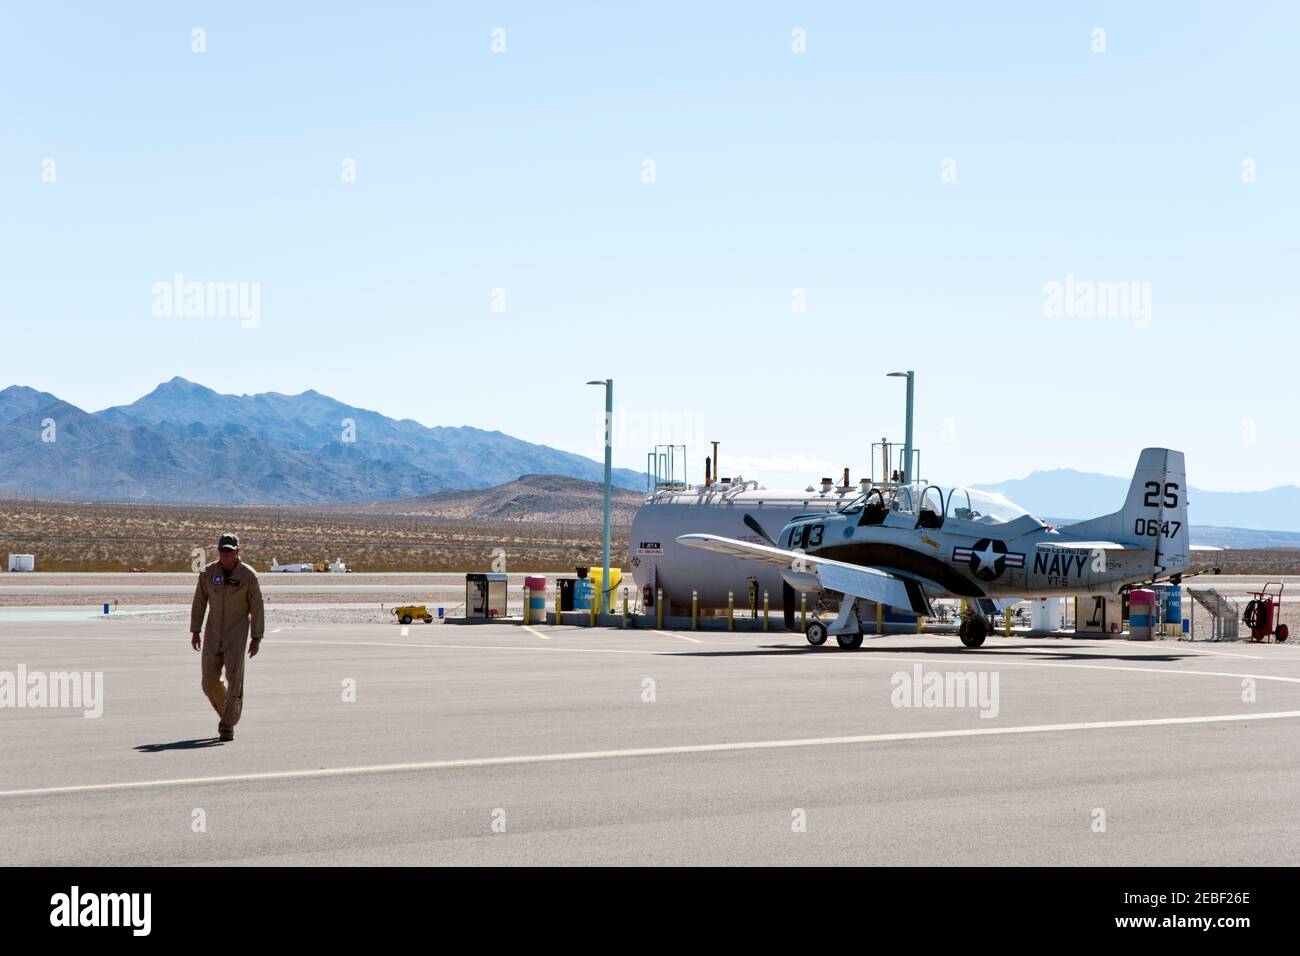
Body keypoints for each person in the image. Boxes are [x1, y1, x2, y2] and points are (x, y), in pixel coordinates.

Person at [190, 533, 265, 741]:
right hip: (213, 631)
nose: (225, 554)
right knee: (208, 681)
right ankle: (228, 713)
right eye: (222, 550)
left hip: (237, 632)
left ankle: (227, 725)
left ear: (237, 552)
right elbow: (199, 603)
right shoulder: (208, 573)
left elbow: (257, 607)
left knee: (234, 680)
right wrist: (195, 630)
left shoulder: (248, 576)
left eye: (229, 551)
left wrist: (257, 637)